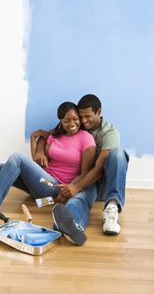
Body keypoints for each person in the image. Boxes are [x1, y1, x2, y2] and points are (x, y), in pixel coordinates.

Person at [34, 94, 129, 246]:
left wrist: (76, 186)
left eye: (88, 116)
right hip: (86, 180)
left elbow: (98, 169)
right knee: (79, 199)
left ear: (99, 112)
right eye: (81, 116)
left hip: (103, 181)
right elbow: (48, 135)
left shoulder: (110, 133)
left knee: (118, 153)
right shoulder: (78, 124)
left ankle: (112, 207)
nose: (84, 121)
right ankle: (73, 225)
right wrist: (39, 148)